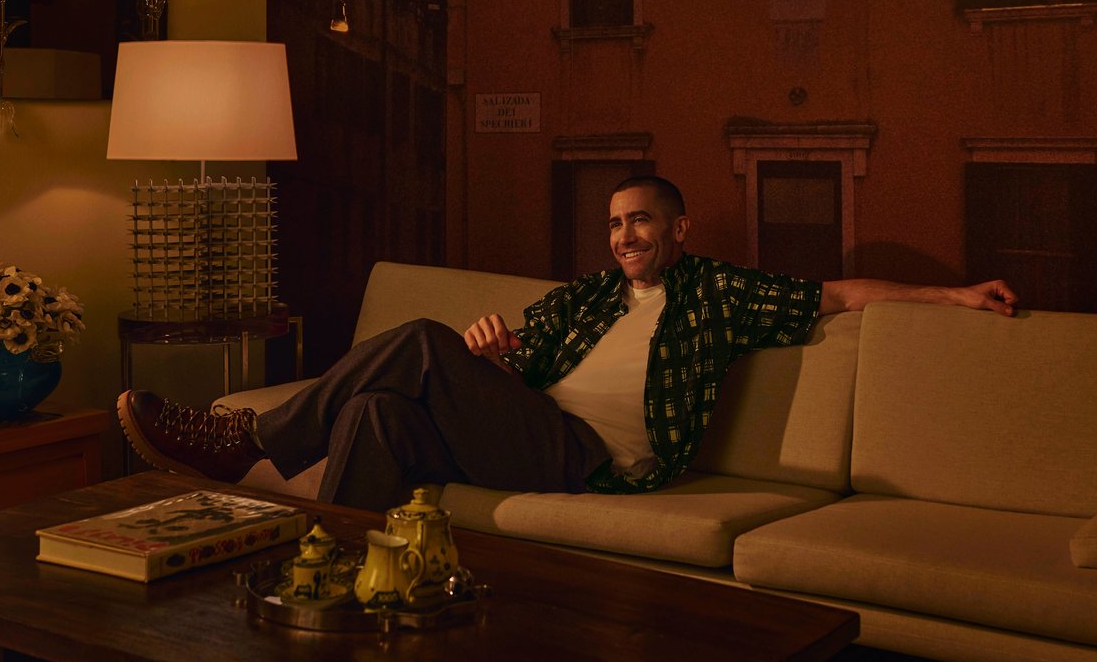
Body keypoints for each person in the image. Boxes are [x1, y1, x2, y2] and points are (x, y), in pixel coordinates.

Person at [117, 175, 1017, 511]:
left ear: (678, 228)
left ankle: (251, 444)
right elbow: (507, 359)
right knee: (383, 409)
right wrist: (490, 350)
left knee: (419, 345)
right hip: (529, 423)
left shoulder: (718, 294)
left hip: (593, 459)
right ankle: (326, 572)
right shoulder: (585, 300)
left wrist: (954, 292)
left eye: (642, 222)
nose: (626, 236)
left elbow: (841, 293)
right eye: (616, 224)